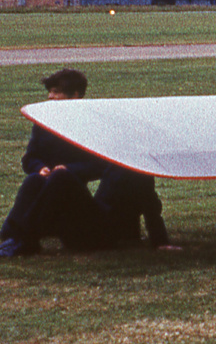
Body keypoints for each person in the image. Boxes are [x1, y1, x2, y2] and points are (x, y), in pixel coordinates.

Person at [0, 69, 177, 256]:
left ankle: (25, 240)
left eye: (57, 91)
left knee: (61, 176)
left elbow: (150, 205)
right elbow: (31, 158)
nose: (50, 97)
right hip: (85, 228)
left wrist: (160, 241)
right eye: (50, 91)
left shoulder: (135, 167)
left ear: (75, 95)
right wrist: (42, 168)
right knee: (35, 180)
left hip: (103, 236)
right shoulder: (47, 124)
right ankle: (12, 235)